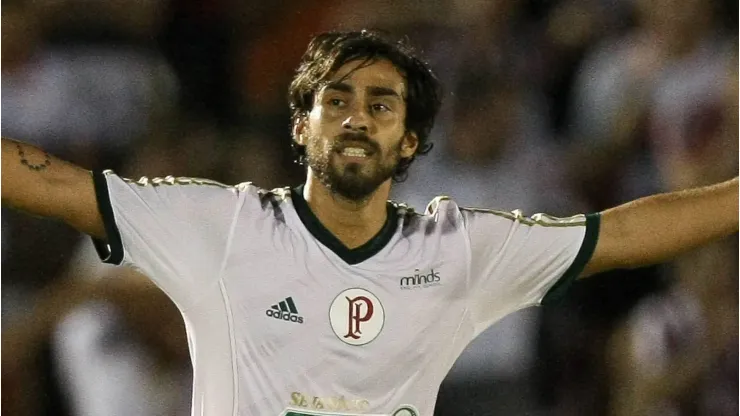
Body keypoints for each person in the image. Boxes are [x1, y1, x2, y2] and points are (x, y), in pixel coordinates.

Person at [2, 30, 737, 416]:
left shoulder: (459, 247)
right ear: (301, 127)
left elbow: (626, 234)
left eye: (382, 105)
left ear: (410, 141)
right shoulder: (216, 223)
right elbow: (58, 186)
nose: (358, 117)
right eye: (338, 100)